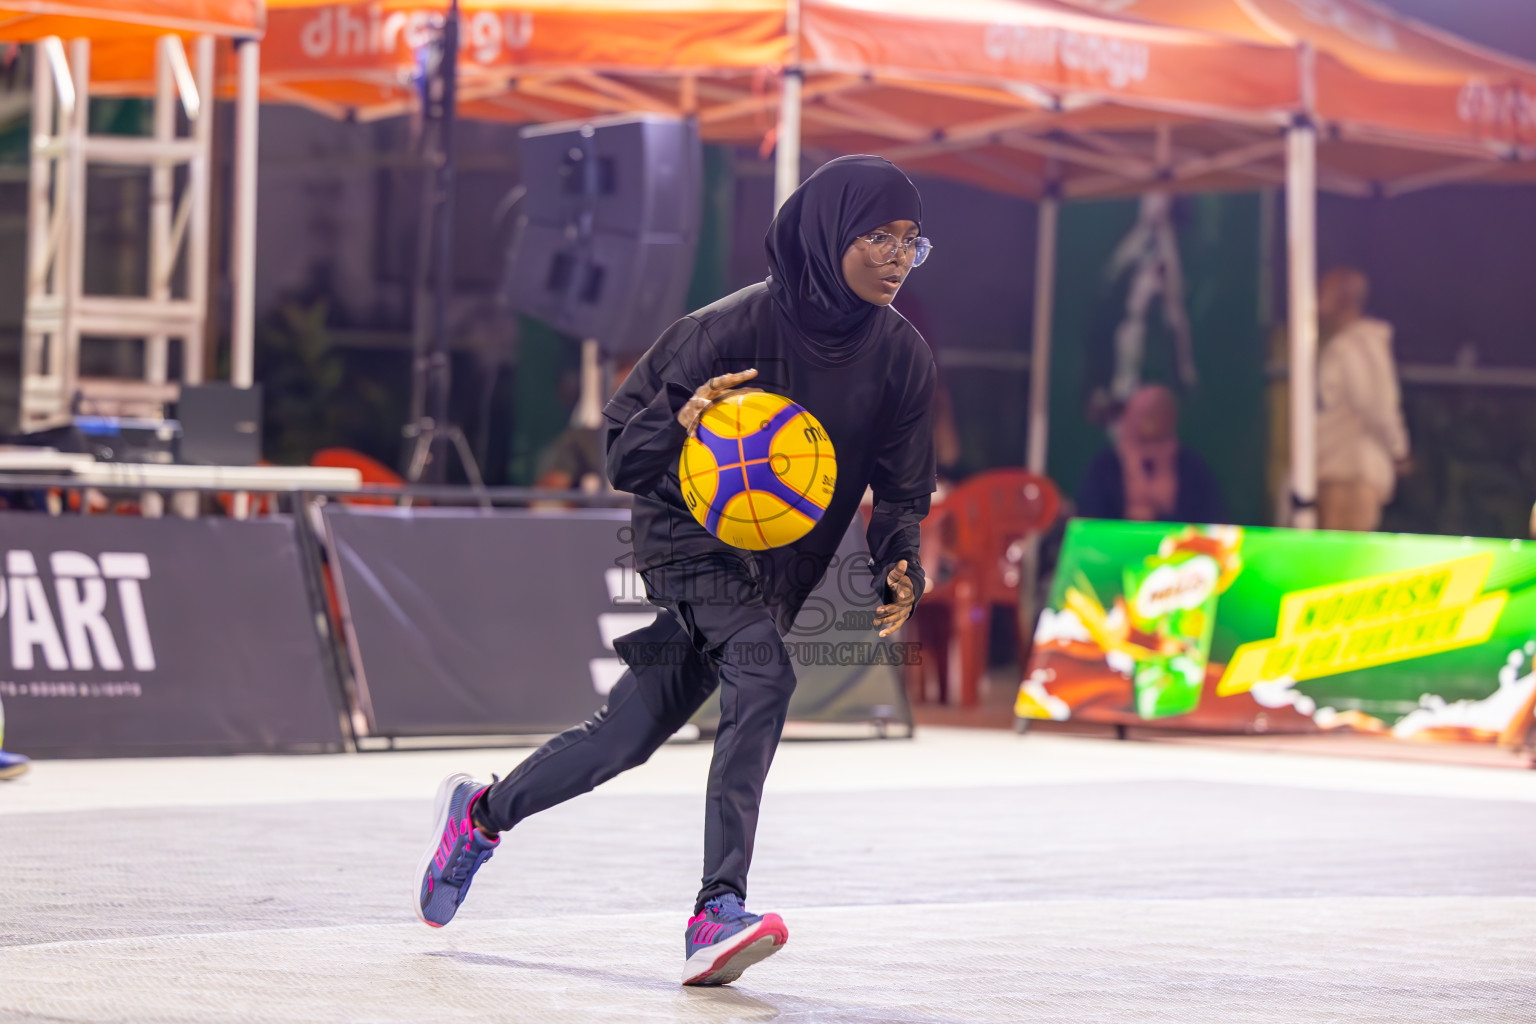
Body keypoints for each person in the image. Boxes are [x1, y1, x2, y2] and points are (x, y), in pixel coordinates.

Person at [412, 156, 937, 987]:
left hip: (781, 569)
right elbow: (622, 452)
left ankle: (479, 816)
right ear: (830, 233)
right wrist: (677, 417)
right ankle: (716, 910)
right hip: (684, 540)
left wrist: (899, 563)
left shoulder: (902, 358)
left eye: (912, 242)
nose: (897, 258)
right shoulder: (726, 331)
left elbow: (902, 491)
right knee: (764, 675)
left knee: (625, 737)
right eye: (878, 237)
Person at [1315, 268, 1409, 532]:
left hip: (1353, 474)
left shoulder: (1360, 344)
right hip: (1335, 471)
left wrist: (1397, 449)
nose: (1317, 301)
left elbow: (1377, 405)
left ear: (1344, 298)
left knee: (1345, 561)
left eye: (1323, 292)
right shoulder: (1341, 343)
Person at [1075, 385, 1227, 524]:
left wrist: (1163, 511)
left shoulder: (1191, 467)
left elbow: (1212, 522)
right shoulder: (1105, 466)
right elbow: (1088, 525)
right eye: (1141, 412)